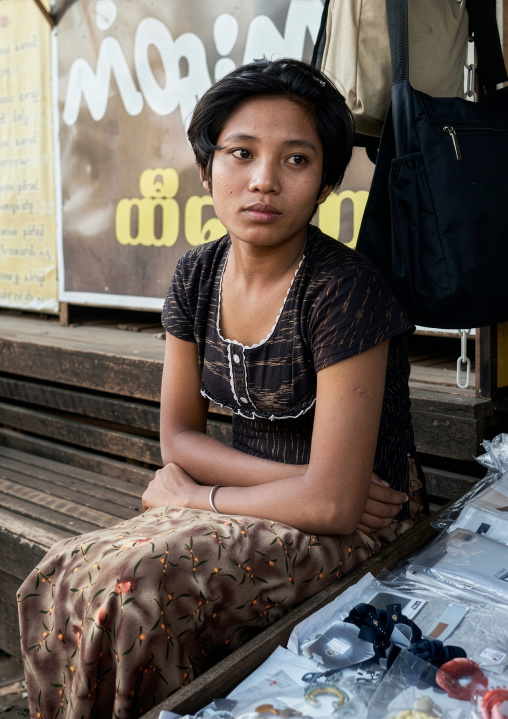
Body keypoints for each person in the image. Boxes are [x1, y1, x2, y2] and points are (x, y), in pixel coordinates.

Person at [18, 58, 426, 719]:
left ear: (324, 185)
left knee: (134, 587)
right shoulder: (196, 278)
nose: (264, 179)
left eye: (296, 160)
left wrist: (198, 494)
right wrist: (252, 490)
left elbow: (337, 506)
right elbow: (177, 436)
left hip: (369, 521)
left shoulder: (343, 291)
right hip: (265, 504)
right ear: (207, 170)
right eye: (242, 153)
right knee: (61, 571)